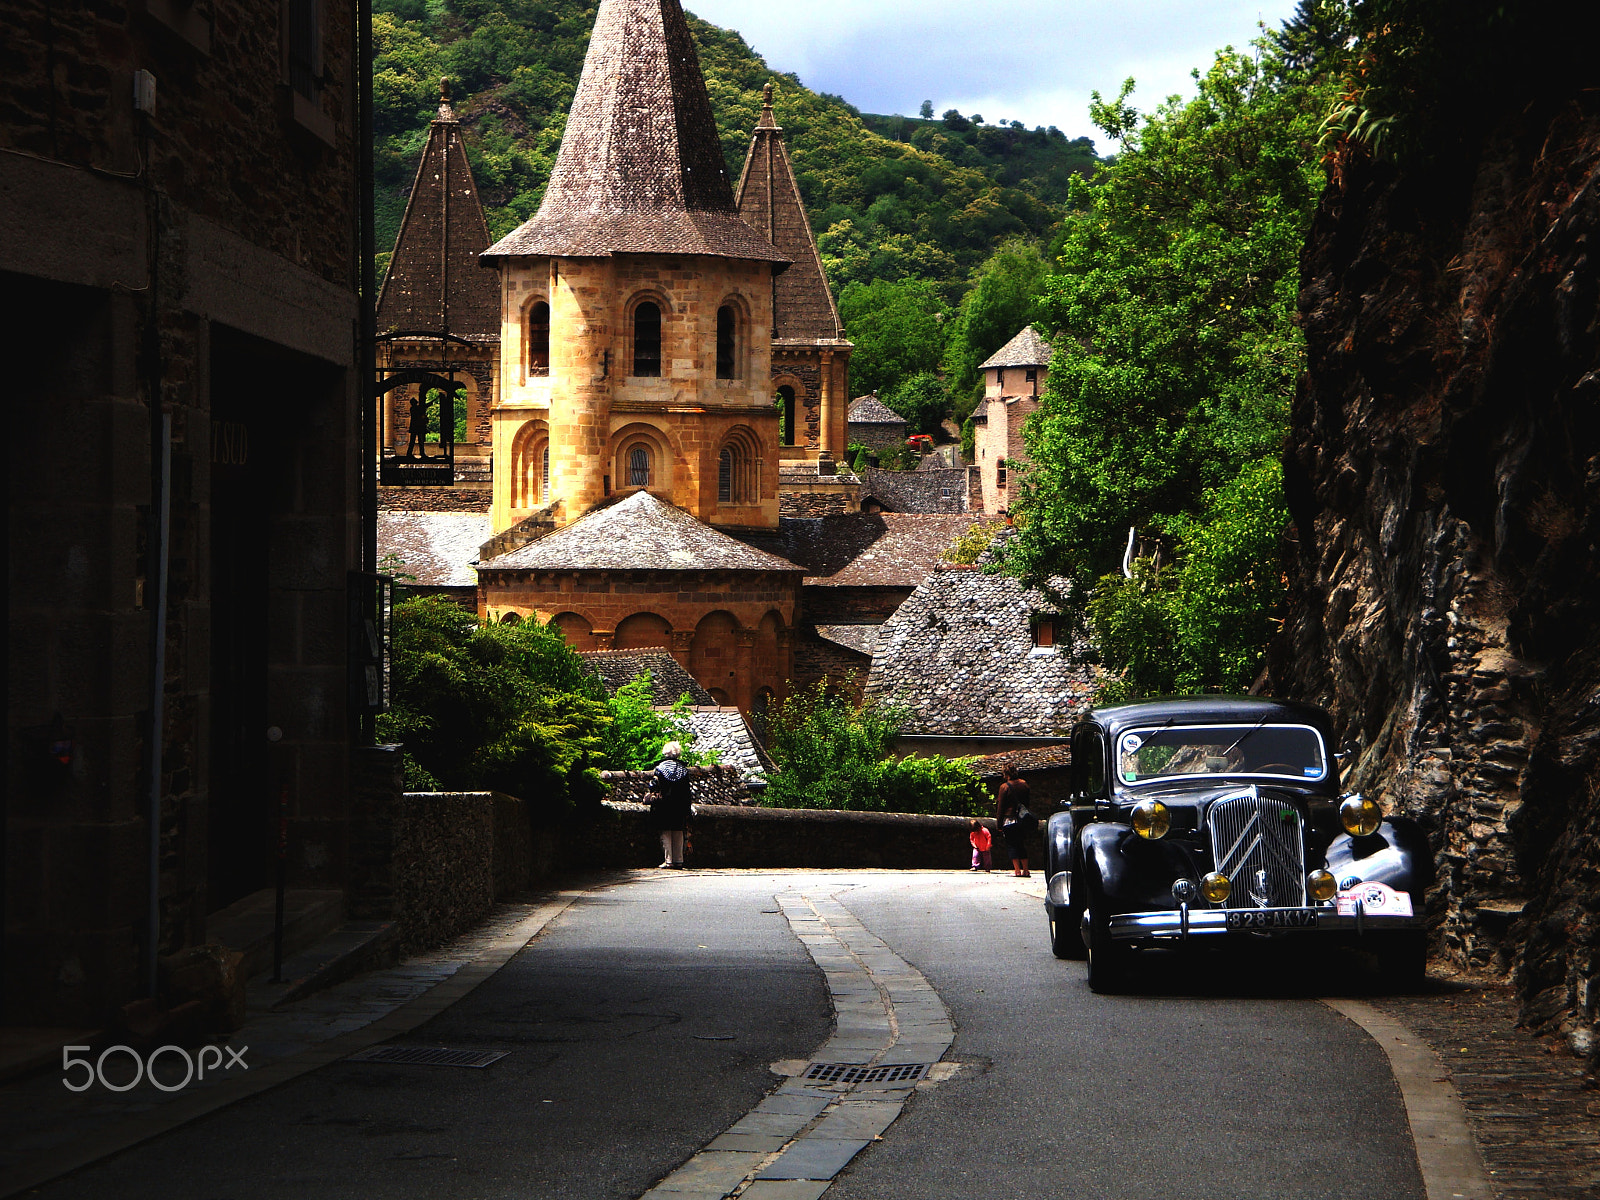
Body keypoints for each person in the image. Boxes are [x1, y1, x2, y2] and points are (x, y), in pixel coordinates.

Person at [648, 741, 693, 868]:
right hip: (679, 805)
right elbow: (687, 791)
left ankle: (668, 860)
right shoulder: (683, 770)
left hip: (664, 805)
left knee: (666, 832)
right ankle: (679, 860)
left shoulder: (660, 768)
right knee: (678, 831)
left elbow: (653, 786)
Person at [996, 765, 1036, 877]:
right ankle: (1026, 870)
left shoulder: (1004, 787)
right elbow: (1027, 802)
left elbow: (1000, 807)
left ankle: (1017, 870)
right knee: (1021, 844)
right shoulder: (1024, 784)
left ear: (1006, 774)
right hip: (1022, 819)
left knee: (1012, 845)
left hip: (1009, 819)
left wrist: (999, 824)